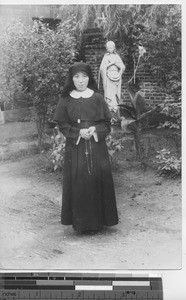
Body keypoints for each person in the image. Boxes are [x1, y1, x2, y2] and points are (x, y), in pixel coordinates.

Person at [53, 61, 118, 234]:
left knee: (97, 180)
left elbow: (106, 124)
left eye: (84, 77)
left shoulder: (97, 98)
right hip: (75, 148)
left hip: (97, 147)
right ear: (71, 79)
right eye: (76, 77)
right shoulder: (66, 99)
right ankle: (80, 224)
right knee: (78, 182)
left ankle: (99, 223)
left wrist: (95, 129)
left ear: (89, 79)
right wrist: (77, 133)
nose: (80, 80)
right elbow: (63, 124)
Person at [98, 41, 125, 113]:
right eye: (109, 47)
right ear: (107, 48)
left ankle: (116, 109)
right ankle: (110, 109)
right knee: (109, 94)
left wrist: (115, 64)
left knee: (116, 94)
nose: (110, 48)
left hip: (116, 76)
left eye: (112, 47)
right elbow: (101, 68)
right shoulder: (105, 57)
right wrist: (109, 65)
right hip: (108, 77)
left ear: (114, 48)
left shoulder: (117, 57)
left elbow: (122, 67)